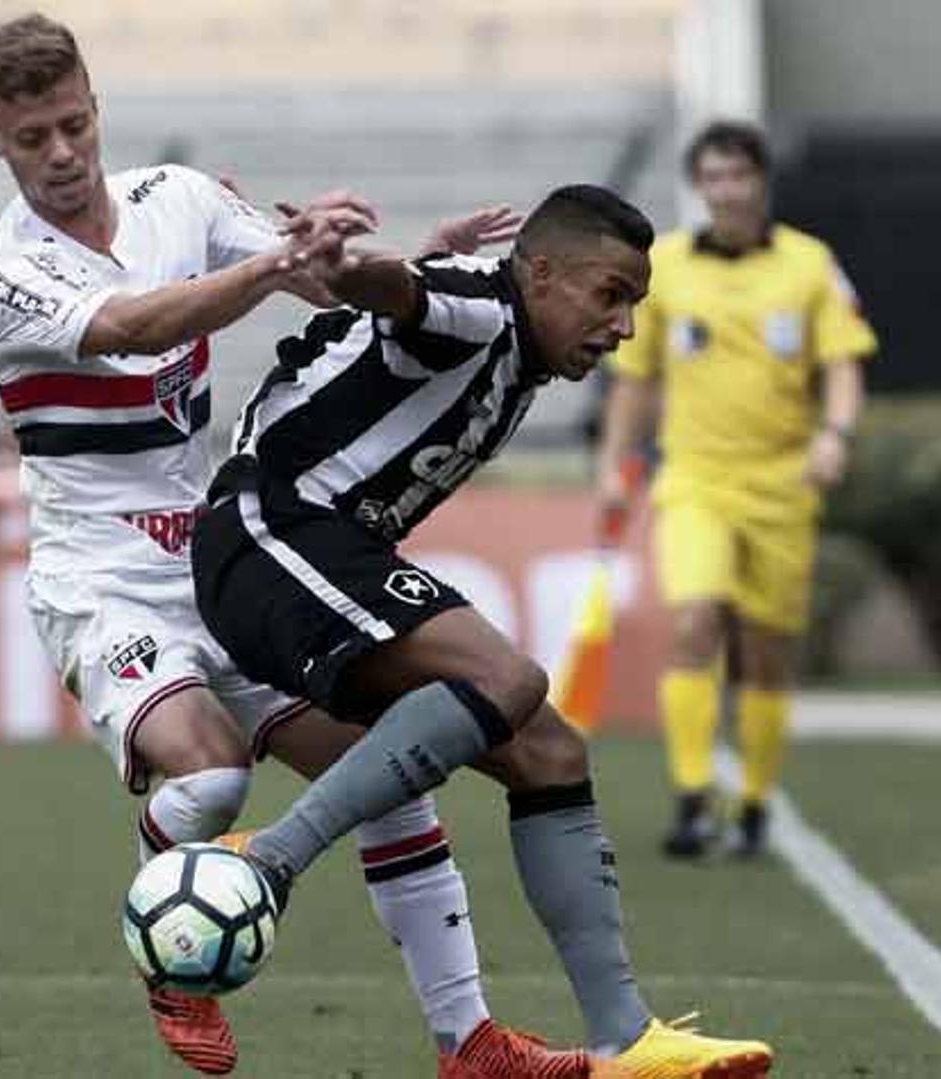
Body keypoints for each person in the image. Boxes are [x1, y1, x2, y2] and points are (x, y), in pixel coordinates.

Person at [0, 15, 587, 1077]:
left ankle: (468, 1039)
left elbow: (315, 282)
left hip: (209, 558)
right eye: (32, 138)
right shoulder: (0, 276)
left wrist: (412, 266)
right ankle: (169, 948)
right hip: (102, 581)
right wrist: (276, 267)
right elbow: (137, 327)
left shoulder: (181, 198)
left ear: (96, 108)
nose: (60, 153)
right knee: (209, 778)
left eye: (71, 125)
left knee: (390, 776)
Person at [193, 184, 775, 1078]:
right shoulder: (485, 309)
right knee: (510, 679)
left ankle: (626, 1037)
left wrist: (399, 267)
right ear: (540, 272)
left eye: (635, 304)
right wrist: (347, 266)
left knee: (548, 751)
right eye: (609, 294)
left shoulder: (510, 339)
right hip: (273, 532)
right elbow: (404, 296)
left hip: (318, 549)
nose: (623, 326)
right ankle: (269, 859)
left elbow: (405, 309)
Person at [594, 121, 877, 859]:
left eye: (737, 175)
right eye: (712, 178)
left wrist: (834, 435)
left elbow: (844, 364)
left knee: (766, 650)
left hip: (784, 484)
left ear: (760, 181)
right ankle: (692, 794)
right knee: (696, 617)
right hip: (694, 478)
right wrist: (613, 465)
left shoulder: (810, 265)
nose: (726, 191)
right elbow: (636, 377)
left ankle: (753, 798)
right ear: (699, 186)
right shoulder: (666, 266)